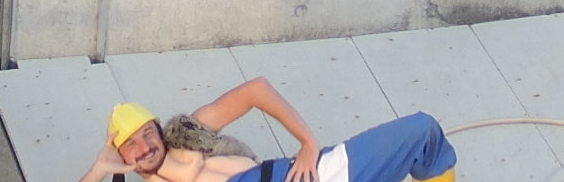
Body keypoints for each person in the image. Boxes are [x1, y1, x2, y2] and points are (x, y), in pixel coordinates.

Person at [83, 84, 457, 182]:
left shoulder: (190, 132)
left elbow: (256, 91)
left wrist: (308, 143)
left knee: (420, 132)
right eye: (131, 143)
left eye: (147, 133)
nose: (144, 146)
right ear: (119, 154)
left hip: (298, 177)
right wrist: (99, 170)